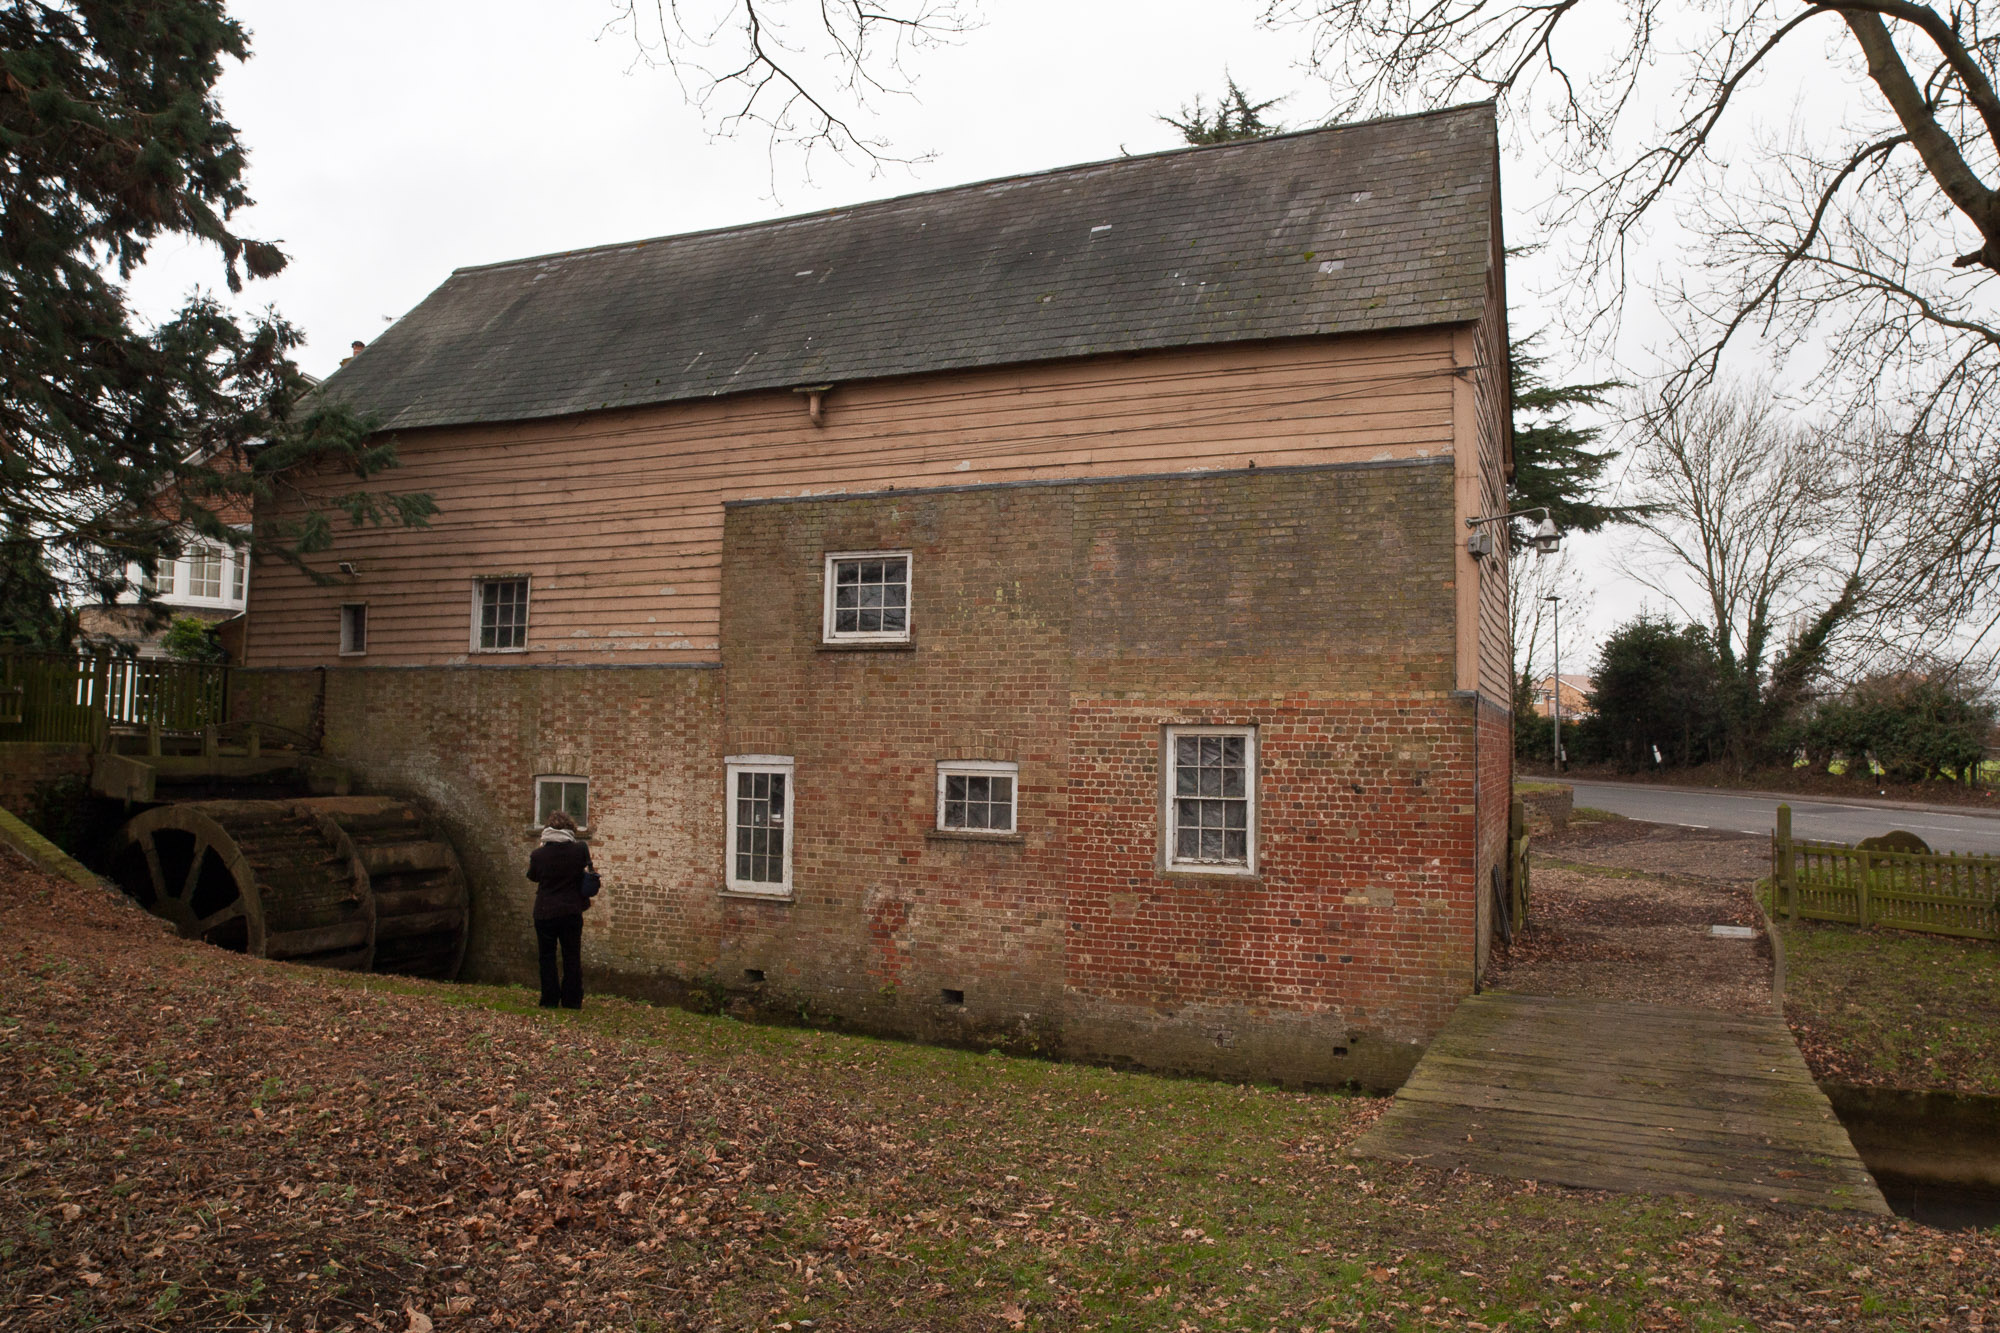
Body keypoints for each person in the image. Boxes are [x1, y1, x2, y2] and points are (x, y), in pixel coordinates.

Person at [526, 809, 593, 1009]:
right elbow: (584, 874)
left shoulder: (538, 854)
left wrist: (541, 851)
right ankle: (572, 1000)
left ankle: (549, 999)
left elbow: (533, 877)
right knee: (571, 956)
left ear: (547, 830)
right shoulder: (580, 849)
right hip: (571, 910)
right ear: (570, 828)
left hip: (545, 911)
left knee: (547, 956)